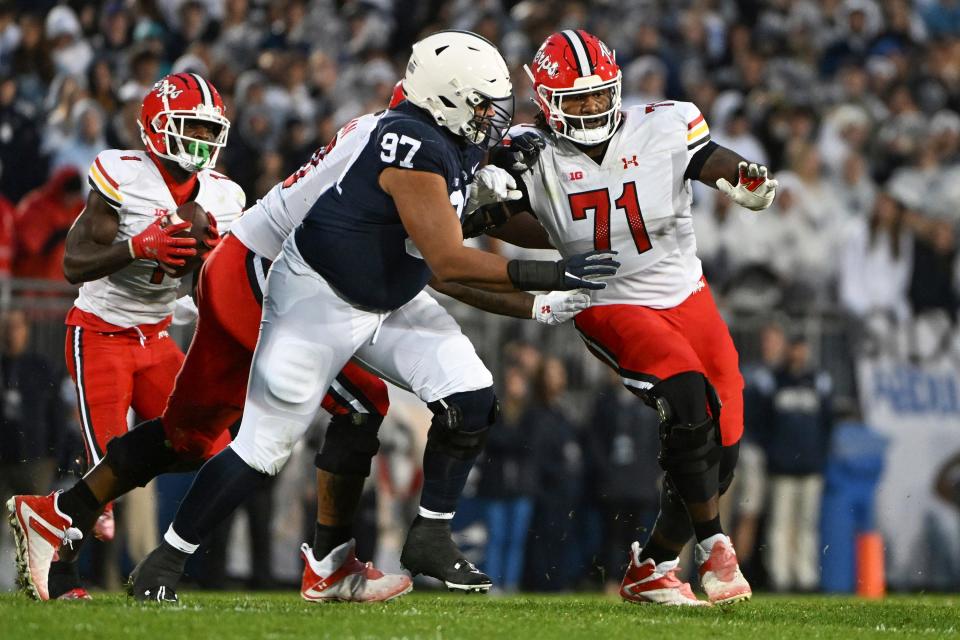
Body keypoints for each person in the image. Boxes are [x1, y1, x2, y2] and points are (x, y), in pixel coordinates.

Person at [8, 62, 593, 603]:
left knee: (191, 436)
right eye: (480, 109)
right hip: (268, 278)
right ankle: (296, 562)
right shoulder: (406, 149)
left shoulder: (413, 145)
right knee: (341, 409)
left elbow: (422, 261)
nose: (489, 124)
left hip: (271, 274)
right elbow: (438, 261)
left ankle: (61, 513)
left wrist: (552, 255)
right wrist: (537, 272)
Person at [468, 29, 778, 605]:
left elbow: (710, 160)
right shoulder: (524, 148)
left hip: (686, 292)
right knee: (688, 398)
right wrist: (495, 205)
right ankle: (714, 546)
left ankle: (652, 565)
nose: (590, 107)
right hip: (607, 297)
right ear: (546, 100)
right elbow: (489, 218)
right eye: (576, 99)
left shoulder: (664, 122)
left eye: (598, 94)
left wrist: (744, 178)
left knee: (724, 446)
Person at [7, 72, 243, 601]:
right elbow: (73, 264)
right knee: (104, 470)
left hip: (157, 336)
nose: (202, 143)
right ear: (157, 129)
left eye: (209, 131)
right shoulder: (122, 174)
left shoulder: (226, 196)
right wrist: (138, 247)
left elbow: (212, 279)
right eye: (191, 128)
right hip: (100, 332)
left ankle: (127, 551)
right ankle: (66, 577)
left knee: (210, 445)